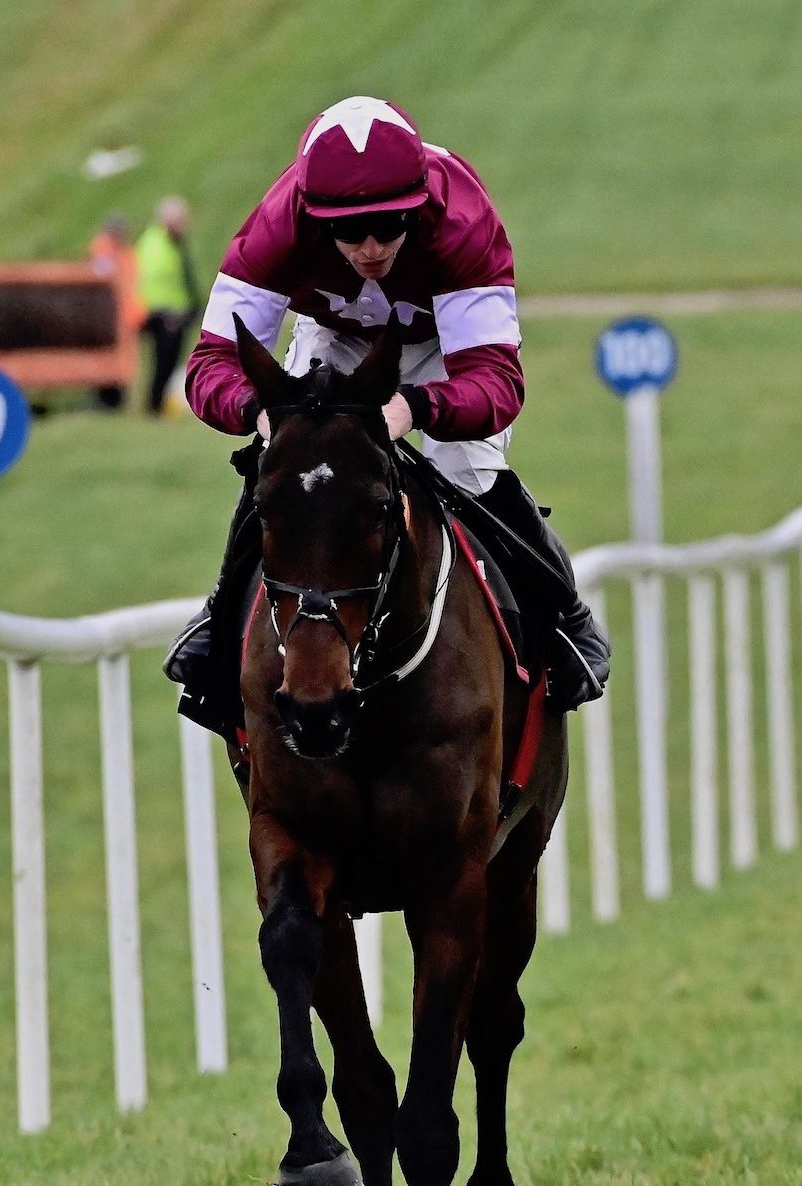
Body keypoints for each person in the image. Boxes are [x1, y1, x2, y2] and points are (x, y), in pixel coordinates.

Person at [164, 95, 609, 742]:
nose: (371, 246)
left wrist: (413, 408)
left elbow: (495, 383)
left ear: (421, 204)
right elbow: (210, 365)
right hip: (335, 333)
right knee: (291, 466)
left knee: (468, 467)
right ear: (315, 219)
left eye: (392, 224)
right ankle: (219, 620)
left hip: (443, 344)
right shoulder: (276, 225)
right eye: (349, 232)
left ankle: (565, 615)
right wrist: (262, 414)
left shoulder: (461, 218)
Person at [134, 197, 199, 416]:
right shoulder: (155, 245)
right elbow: (152, 282)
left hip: (176, 314)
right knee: (163, 362)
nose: (183, 226)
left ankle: (157, 404)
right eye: (179, 221)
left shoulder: (172, 244)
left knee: (170, 362)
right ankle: (154, 404)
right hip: (163, 316)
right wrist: (164, 313)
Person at [89, 214, 140, 410]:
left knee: (123, 361)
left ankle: (117, 400)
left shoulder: (125, 252)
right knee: (104, 360)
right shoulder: (102, 250)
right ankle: (105, 400)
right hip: (106, 317)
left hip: (125, 316)